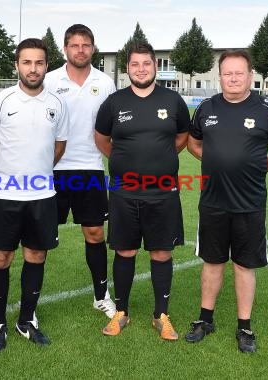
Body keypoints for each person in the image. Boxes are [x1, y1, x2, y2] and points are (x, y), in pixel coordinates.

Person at [185, 49, 268, 353]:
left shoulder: (266, 109)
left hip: (250, 204)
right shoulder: (206, 107)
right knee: (212, 261)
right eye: (227, 73)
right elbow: (193, 142)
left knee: (244, 265)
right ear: (219, 76)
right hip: (213, 202)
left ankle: (244, 327)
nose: (233, 78)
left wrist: (258, 169)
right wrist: (214, 162)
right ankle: (205, 319)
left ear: (250, 76)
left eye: (239, 73)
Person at [94, 42, 189, 340]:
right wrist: (125, 162)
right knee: (125, 250)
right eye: (135, 64)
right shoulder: (114, 102)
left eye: (146, 64)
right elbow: (102, 138)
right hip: (124, 192)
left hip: (162, 192)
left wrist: (158, 161)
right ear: (127, 69)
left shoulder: (173, 101)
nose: (141, 69)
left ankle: (161, 315)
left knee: (161, 252)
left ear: (155, 66)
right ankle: (121, 312)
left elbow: (183, 136)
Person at [0, 38, 69, 352]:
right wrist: (3, 175)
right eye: (27, 62)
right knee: (1, 257)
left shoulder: (57, 104)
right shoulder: (0, 101)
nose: (33, 69)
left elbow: (59, 146)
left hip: (42, 196)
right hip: (4, 196)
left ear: (47, 65)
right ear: (17, 65)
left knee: (36, 255)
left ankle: (26, 320)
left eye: (39, 63)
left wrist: (38, 172)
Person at [44, 24, 117, 319]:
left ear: (93, 48)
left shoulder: (105, 82)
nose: (80, 50)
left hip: (90, 169)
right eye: (74, 45)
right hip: (53, 170)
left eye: (86, 45)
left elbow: (112, 128)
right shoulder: (49, 81)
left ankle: (101, 296)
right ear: (65, 49)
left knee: (95, 232)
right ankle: (30, 301)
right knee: (40, 238)